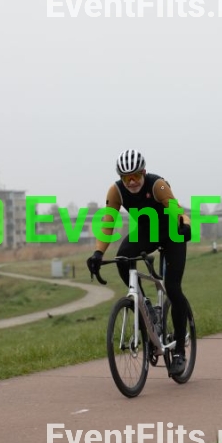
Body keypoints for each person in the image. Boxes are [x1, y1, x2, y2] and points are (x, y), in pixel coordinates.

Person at [86, 150, 192, 376]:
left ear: (144, 172)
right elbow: (108, 224)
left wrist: (185, 224)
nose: (132, 182)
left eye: (135, 176)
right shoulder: (116, 191)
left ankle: (179, 352)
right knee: (122, 258)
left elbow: (176, 209)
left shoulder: (157, 185)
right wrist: (97, 253)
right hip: (147, 232)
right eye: (126, 178)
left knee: (173, 288)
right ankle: (145, 305)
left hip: (172, 233)